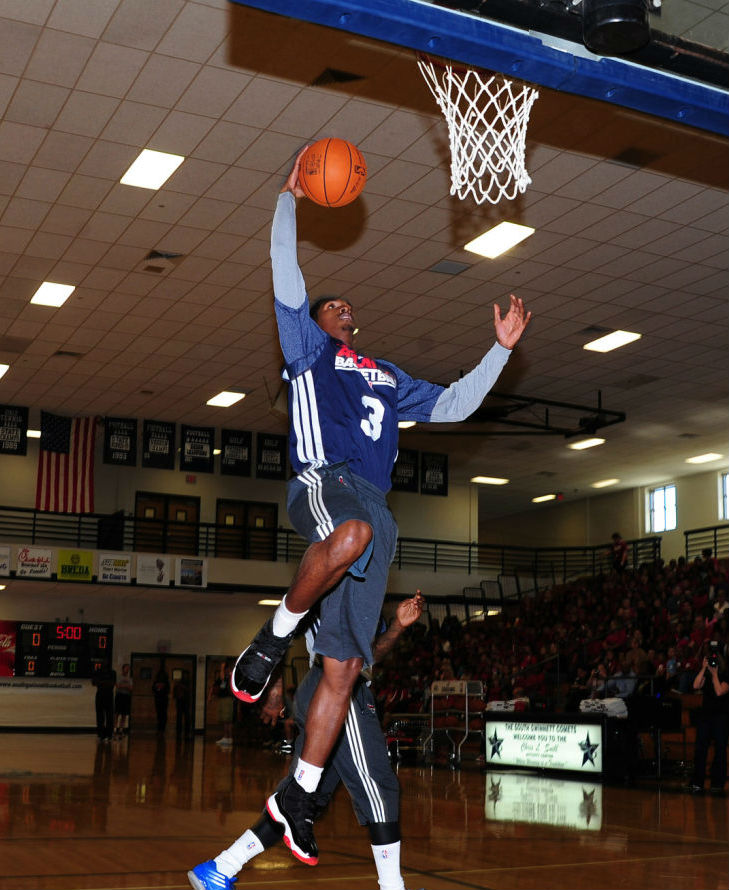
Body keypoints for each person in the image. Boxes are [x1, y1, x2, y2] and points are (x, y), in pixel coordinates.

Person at [229, 148, 531, 861]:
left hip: (378, 513)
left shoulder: (386, 376)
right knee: (352, 532)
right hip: (324, 482)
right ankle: (272, 640)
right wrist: (287, 200)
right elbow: (285, 276)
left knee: (340, 668)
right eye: (336, 305)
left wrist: (498, 352)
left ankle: (299, 793)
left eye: (349, 310)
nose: (346, 311)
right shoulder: (307, 349)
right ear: (318, 316)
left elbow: (454, 404)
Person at [189, 593, 426, 890]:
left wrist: (398, 626)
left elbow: (372, 654)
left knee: (301, 800)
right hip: (338, 688)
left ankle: (220, 867)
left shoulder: (368, 595)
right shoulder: (338, 574)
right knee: (378, 786)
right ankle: (393, 887)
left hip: (338, 686)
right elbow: (287, 623)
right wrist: (274, 687)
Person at [688, 642, 729, 794]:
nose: (713, 661)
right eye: (711, 658)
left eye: (715, 658)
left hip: (721, 717)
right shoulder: (705, 672)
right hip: (705, 715)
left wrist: (715, 674)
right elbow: (695, 686)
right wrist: (704, 668)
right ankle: (697, 781)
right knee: (700, 748)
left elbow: (719, 691)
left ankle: (717, 782)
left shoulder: (726, 674)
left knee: (720, 749)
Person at [210, 660, 234, 747]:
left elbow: (223, 678)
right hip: (222, 699)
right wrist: (210, 696)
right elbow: (214, 685)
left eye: (224, 668)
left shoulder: (230, 676)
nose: (222, 670)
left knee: (228, 720)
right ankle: (226, 737)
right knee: (224, 720)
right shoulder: (221, 678)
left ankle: (229, 737)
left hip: (228, 699)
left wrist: (222, 668)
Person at [92, 663, 116, 742]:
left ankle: (108, 734)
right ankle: (101, 734)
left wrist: (101, 682)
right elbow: (94, 682)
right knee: (100, 716)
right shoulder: (98, 672)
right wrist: (106, 682)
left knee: (109, 716)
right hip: (102, 695)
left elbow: (112, 683)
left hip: (107, 695)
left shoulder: (112, 672)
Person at [113, 662, 132, 738]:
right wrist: (126, 686)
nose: (127, 670)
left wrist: (123, 686)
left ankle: (121, 730)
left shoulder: (130, 679)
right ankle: (114, 730)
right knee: (117, 714)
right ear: (123, 669)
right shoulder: (118, 677)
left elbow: (131, 688)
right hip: (119, 696)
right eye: (126, 668)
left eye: (128, 668)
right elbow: (118, 686)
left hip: (126, 697)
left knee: (124, 715)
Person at [174, 669, 192, 739]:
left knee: (187, 718)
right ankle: (179, 732)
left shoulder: (188, 682)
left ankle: (187, 732)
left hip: (186, 701)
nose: (185, 676)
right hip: (180, 701)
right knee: (179, 718)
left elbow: (189, 690)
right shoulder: (180, 683)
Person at [152, 665, 170, 734]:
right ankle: (161, 727)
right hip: (160, 698)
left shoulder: (163, 682)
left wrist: (159, 689)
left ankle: (162, 727)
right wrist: (158, 689)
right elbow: (153, 689)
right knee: (160, 713)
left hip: (162, 698)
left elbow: (167, 690)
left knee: (162, 713)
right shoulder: (158, 682)